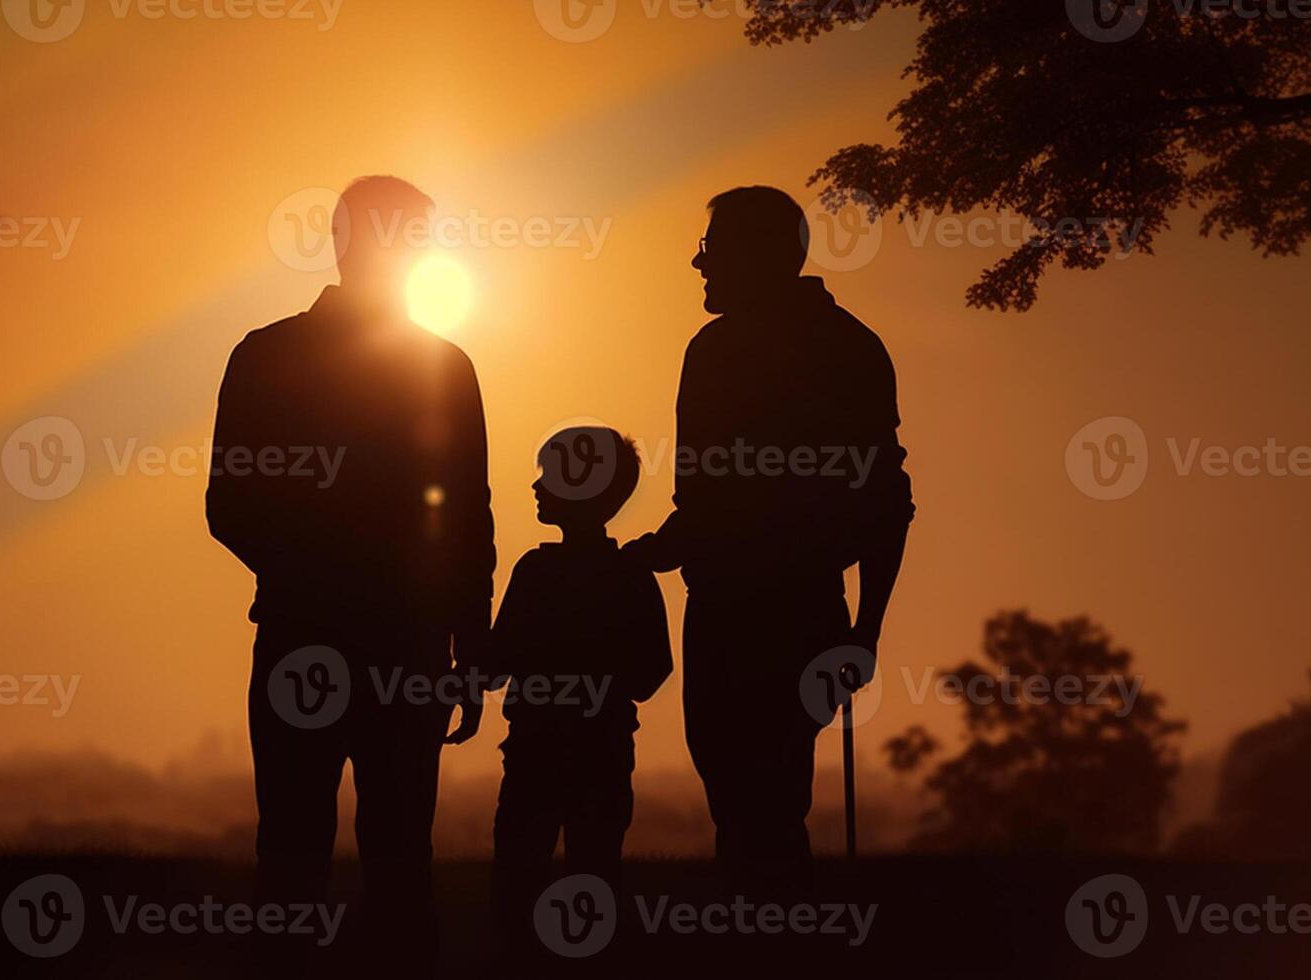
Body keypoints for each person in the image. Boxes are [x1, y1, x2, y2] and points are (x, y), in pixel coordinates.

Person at [205, 175, 496, 969]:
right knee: (382, 852)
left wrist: (466, 644)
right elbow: (466, 518)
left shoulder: (267, 355)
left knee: (310, 849)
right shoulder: (438, 365)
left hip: (322, 636)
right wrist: (464, 641)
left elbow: (232, 508)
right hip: (391, 641)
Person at [625, 186, 914, 890]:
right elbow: (884, 501)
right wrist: (863, 628)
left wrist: (661, 547)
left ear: (755, 256)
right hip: (809, 607)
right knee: (770, 796)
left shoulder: (718, 350)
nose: (699, 265)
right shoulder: (852, 345)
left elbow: (713, 497)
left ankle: (760, 937)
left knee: (747, 799)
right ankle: (775, 933)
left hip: (735, 608)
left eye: (712, 248)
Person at [482, 426, 674, 961]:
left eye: (550, 476)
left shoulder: (535, 571)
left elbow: (495, 666)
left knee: (519, 881)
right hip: (604, 750)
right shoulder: (630, 576)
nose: (538, 487)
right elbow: (653, 670)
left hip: (534, 752)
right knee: (594, 877)